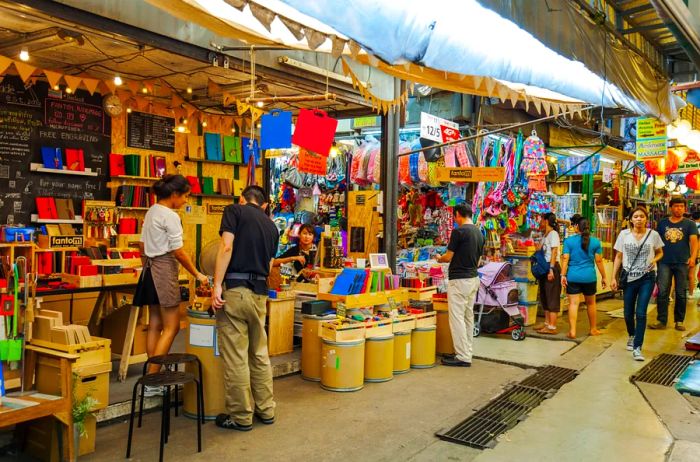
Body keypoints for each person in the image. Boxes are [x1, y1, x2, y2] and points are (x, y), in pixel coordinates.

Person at [211, 185, 279, 431]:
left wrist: (217, 285)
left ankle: (241, 417)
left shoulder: (234, 211)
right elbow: (270, 266)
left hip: (236, 290)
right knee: (259, 354)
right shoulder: (273, 227)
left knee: (237, 356)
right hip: (260, 294)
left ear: (242, 199)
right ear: (263, 205)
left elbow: (225, 247)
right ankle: (266, 410)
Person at [133, 175, 209, 392]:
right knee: (172, 326)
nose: (186, 200)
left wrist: (149, 262)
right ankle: (153, 380)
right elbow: (179, 252)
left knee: (155, 325)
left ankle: (152, 376)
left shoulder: (152, 210)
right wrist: (198, 275)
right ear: (175, 195)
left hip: (148, 270)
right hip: (163, 272)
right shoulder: (170, 215)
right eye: (185, 196)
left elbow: (141, 245)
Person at [611, 207, 664, 361]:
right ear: (631, 219)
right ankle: (632, 334)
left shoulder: (653, 235)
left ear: (646, 219)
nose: (639, 219)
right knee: (628, 313)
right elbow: (619, 256)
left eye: (642, 216)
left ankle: (637, 347)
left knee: (641, 312)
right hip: (629, 278)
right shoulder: (624, 235)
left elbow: (660, 252)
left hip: (647, 277)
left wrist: (653, 260)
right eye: (636, 216)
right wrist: (613, 277)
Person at [436, 204, 484, 367]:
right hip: (473, 279)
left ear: (458, 215)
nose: (455, 220)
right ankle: (467, 351)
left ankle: (462, 355)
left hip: (459, 280)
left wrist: (439, 258)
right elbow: (478, 260)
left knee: (457, 318)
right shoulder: (478, 232)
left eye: (455, 217)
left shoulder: (459, 232)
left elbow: (448, 256)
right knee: (468, 316)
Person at [650, 197, 698, 331]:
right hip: (664, 262)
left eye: (681, 206)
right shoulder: (662, 223)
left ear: (685, 208)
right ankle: (661, 320)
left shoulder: (690, 224)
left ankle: (679, 321)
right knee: (663, 291)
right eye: (676, 206)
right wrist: (653, 258)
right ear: (670, 207)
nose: (679, 209)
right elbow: (656, 243)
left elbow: (694, 243)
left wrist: (693, 258)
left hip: (682, 262)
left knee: (681, 292)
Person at [560, 217, 607, 339]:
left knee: (573, 304)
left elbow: (565, 258)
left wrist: (562, 275)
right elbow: (599, 261)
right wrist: (604, 277)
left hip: (573, 277)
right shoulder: (596, 242)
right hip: (589, 277)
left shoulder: (568, 241)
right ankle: (593, 329)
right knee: (591, 304)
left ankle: (573, 331)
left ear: (577, 227)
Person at [535, 212, 562, 335]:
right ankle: (547, 323)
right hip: (544, 267)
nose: (539, 222)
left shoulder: (554, 234)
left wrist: (551, 269)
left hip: (551, 267)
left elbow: (554, 252)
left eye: (541, 220)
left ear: (546, 221)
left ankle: (552, 326)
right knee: (545, 296)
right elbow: (539, 249)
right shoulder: (546, 234)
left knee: (552, 296)